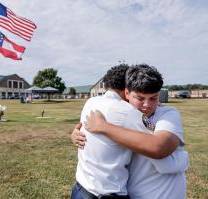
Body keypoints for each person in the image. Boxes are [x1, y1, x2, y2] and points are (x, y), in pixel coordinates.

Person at [72, 64, 188, 199]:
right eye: (140, 98)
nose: (147, 105)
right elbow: (160, 152)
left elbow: (160, 149)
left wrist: (103, 127)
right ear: (126, 93)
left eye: (153, 98)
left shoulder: (167, 114)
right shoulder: (127, 113)